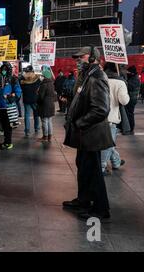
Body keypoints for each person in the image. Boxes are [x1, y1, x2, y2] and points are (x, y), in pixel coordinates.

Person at [63, 46, 114, 221]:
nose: (77, 61)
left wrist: (79, 122)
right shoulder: (87, 76)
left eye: (81, 57)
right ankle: (83, 200)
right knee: (83, 167)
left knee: (93, 171)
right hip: (85, 135)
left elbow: (101, 109)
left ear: (92, 58)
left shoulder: (97, 76)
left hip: (91, 134)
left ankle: (101, 208)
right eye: (76, 58)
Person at [101, 63, 130, 175]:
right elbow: (124, 101)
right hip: (111, 117)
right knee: (108, 144)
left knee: (110, 143)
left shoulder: (100, 80)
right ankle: (101, 167)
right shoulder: (120, 82)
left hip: (99, 116)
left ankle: (116, 161)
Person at [0, 63, 22, 150]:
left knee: (8, 126)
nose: (3, 71)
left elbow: (18, 92)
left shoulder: (13, 79)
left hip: (8, 107)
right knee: (4, 126)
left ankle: (8, 142)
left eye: (5, 69)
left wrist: (10, 97)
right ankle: (6, 141)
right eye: (2, 69)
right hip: (0, 106)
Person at [37, 67, 57, 142]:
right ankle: (49, 137)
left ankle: (45, 136)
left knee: (44, 121)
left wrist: (37, 95)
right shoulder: (52, 84)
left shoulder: (44, 85)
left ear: (44, 76)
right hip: (51, 105)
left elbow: (41, 97)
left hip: (44, 105)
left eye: (42, 75)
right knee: (49, 121)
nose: (41, 77)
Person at [21, 66, 41, 137]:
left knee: (27, 115)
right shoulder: (37, 79)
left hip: (26, 99)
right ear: (32, 71)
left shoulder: (22, 79)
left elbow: (21, 89)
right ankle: (37, 128)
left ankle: (27, 131)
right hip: (35, 99)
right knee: (36, 114)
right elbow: (40, 88)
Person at [124, 66, 140, 135]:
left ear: (132, 72)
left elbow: (130, 87)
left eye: (128, 72)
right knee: (127, 113)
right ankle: (128, 128)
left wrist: (125, 82)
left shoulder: (135, 79)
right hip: (130, 98)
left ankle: (131, 128)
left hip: (132, 99)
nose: (127, 73)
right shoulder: (132, 77)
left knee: (130, 114)